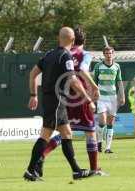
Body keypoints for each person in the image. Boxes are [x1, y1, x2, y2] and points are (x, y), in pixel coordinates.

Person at [23, 27, 94, 181]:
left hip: (51, 99)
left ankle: (76, 171)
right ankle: (30, 171)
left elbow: (33, 74)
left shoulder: (49, 54)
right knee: (46, 135)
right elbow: (73, 80)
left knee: (67, 133)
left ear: (58, 38)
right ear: (73, 40)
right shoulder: (66, 56)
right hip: (56, 100)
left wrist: (33, 94)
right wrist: (88, 99)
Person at [36, 27, 106, 176]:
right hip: (79, 96)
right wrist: (94, 87)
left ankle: (42, 155)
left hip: (64, 98)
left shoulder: (64, 52)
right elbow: (82, 70)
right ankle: (94, 169)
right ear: (84, 41)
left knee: (65, 132)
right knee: (90, 132)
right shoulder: (84, 54)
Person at [94, 46, 125, 153]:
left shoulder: (117, 66)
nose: (108, 55)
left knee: (111, 122)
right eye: (106, 53)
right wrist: (94, 93)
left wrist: (122, 96)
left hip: (113, 98)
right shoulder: (98, 66)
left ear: (113, 54)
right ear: (104, 54)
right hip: (101, 97)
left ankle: (108, 148)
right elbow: (94, 81)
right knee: (102, 121)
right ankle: (99, 141)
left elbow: (119, 82)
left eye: (110, 53)